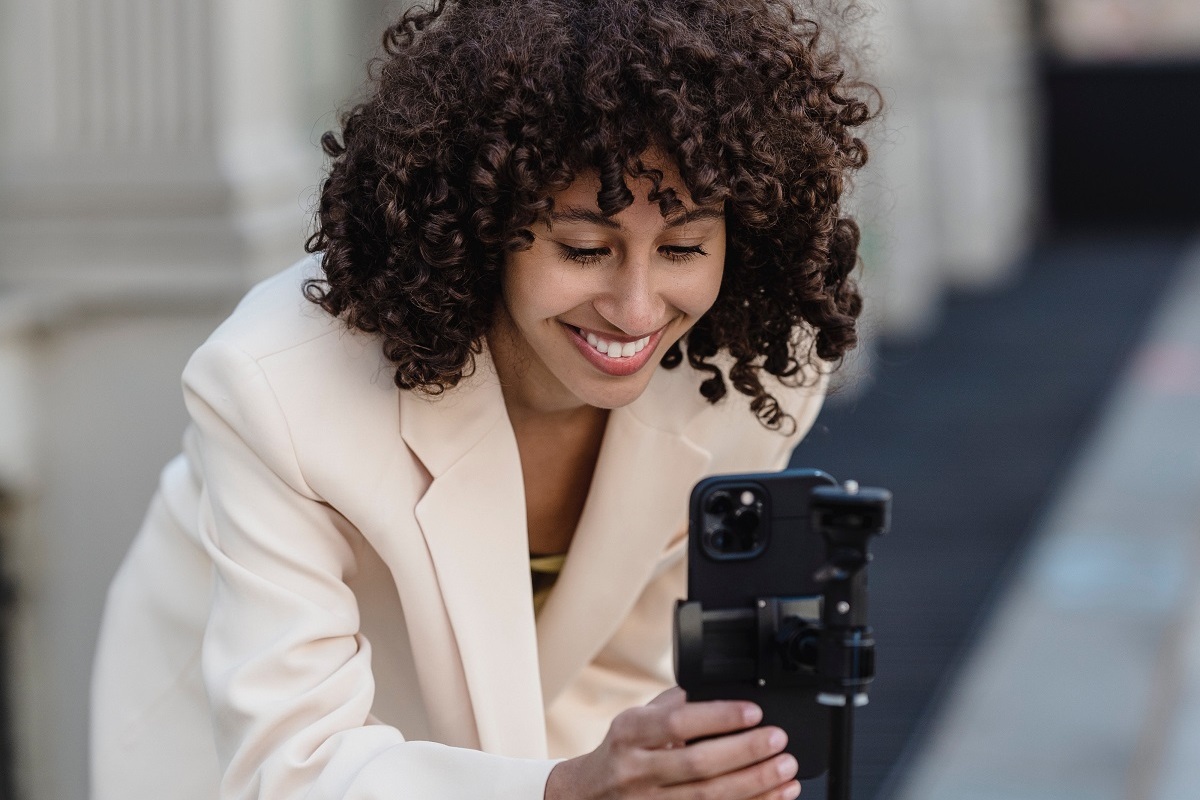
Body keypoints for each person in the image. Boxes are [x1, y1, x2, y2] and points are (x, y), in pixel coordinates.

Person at [90, 0, 873, 797]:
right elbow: (293, 765)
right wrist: (562, 789)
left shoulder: (750, 379)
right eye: (585, 249)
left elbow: (621, 677)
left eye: (683, 247)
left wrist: (627, 775)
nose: (637, 311)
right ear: (482, 226)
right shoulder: (274, 387)